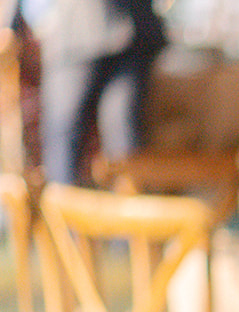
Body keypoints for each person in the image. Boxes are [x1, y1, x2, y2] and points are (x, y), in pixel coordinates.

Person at [15, 0, 166, 184]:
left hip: (108, 29)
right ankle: (63, 208)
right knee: (73, 140)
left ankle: (120, 204)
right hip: (90, 28)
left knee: (115, 138)